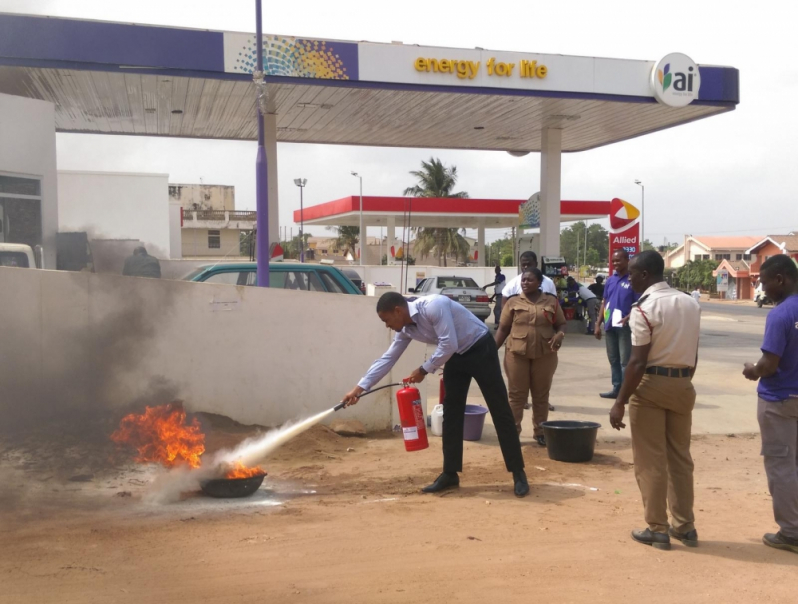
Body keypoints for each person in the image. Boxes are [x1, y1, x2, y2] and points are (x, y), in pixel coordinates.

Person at [341, 292, 529, 497]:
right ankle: (450, 473)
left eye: (386, 320)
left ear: (397, 311)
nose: (386, 325)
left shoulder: (433, 306)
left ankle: (518, 473)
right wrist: (359, 389)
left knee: (499, 408)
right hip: (455, 355)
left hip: (479, 347)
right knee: (451, 413)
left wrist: (423, 370)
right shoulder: (405, 329)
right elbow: (388, 359)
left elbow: (448, 343)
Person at [608, 250, 701, 550]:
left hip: (650, 386)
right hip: (683, 383)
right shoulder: (690, 303)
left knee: (650, 460)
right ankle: (685, 526)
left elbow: (636, 363)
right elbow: (694, 352)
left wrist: (620, 400)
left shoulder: (644, 308)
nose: (629, 277)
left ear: (645, 274)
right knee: (680, 458)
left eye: (633, 273)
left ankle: (657, 528)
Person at [743, 254, 798, 555]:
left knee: (781, 466)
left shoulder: (780, 315)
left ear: (780, 279)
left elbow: (770, 363)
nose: (763, 289)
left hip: (780, 401)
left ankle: (791, 532)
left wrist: (753, 370)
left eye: (764, 282)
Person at [496, 268, 566, 446]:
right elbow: (503, 329)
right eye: (523, 280)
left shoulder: (551, 301)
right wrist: (490, 350)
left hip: (545, 355)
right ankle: (513, 432)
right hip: (516, 354)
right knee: (516, 395)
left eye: (530, 280)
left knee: (541, 395)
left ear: (539, 282)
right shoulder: (512, 302)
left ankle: (541, 432)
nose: (525, 283)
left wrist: (560, 335)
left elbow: (562, 324)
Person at [595, 250, 639, 398]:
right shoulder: (610, 280)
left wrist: (628, 317)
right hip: (610, 326)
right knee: (613, 359)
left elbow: (639, 304)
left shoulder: (632, 280)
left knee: (625, 361)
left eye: (618, 261)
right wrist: (598, 323)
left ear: (627, 260)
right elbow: (604, 302)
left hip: (625, 327)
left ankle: (626, 392)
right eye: (613, 261)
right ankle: (616, 388)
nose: (615, 264)